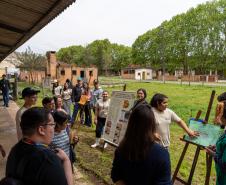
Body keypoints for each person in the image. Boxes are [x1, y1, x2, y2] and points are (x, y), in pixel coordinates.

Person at [6, 107, 73, 185]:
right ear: (41, 130)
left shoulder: (15, 149)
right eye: (52, 124)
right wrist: (66, 160)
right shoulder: (48, 159)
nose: (54, 128)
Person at [111, 104, 172, 185]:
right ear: (152, 124)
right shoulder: (161, 154)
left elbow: (116, 175)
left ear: (131, 123)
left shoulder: (121, 148)